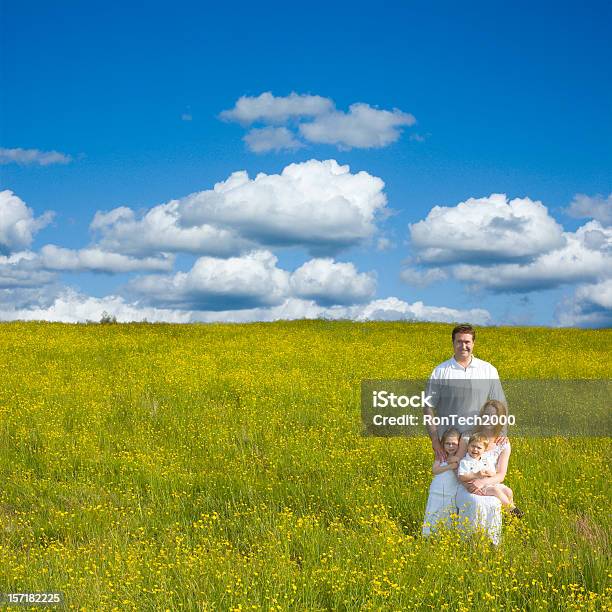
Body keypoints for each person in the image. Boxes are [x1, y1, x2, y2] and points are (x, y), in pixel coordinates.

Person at [425, 324, 507, 463]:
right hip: (450, 444)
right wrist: (435, 440)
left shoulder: (488, 370)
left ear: (473, 343)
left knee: (478, 482)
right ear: (453, 343)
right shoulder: (440, 371)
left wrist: (502, 432)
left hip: (480, 443)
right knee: (446, 483)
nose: (463, 346)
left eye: (467, 342)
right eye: (459, 342)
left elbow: (500, 403)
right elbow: (428, 407)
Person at [455, 400, 523, 545]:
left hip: (488, 483)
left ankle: (497, 538)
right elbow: (458, 466)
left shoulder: (503, 442)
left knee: (507, 493)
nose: (489, 419)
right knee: (476, 501)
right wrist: (468, 484)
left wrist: (482, 481)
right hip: (467, 484)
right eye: (486, 415)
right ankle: (470, 540)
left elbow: (501, 474)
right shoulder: (469, 437)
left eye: (494, 416)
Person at [457, 432, 520, 514]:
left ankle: (510, 516)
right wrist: (476, 475)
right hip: (477, 486)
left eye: (479, 448)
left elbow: (494, 473)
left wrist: (490, 473)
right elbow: (461, 477)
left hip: (489, 483)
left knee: (508, 491)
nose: (475, 449)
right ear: (468, 446)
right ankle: (510, 509)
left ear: (484, 450)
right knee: (495, 490)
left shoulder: (485, 459)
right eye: (473, 446)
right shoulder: (465, 461)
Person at [422, 427, 461, 536]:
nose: (451, 446)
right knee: (434, 510)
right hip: (437, 490)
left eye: (454, 443)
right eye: (448, 443)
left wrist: (456, 463)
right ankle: (428, 536)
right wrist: (450, 466)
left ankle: (445, 536)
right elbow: (435, 470)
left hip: (451, 492)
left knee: (448, 512)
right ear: (443, 444)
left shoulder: (460, 457)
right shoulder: (441, 455)